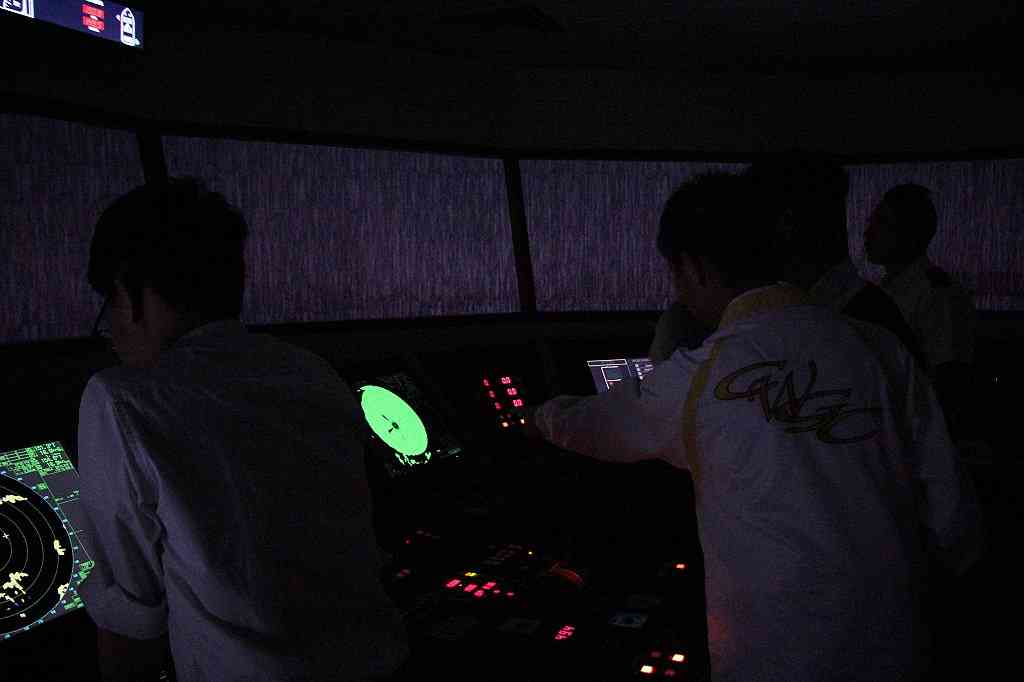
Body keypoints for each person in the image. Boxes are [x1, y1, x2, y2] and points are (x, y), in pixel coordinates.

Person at [527, 172, 981, 681]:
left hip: (773, 660)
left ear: (693, 268)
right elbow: (954, 521)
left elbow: (595, 425)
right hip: (900, 648)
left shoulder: (701, 372)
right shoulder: (883, 349)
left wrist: (535, 416)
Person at [78, 178, 408, 681]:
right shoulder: (313, 373)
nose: (111, 332)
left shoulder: (123, 399)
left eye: (110, 304)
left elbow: (132, 621)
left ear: (132, 292)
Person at [865, 183, 978, 441]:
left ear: (910, 235)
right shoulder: (887, 289)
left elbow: (949, 378)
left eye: (882, 223)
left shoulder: (937, 295)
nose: (868, 232)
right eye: (872, 222)